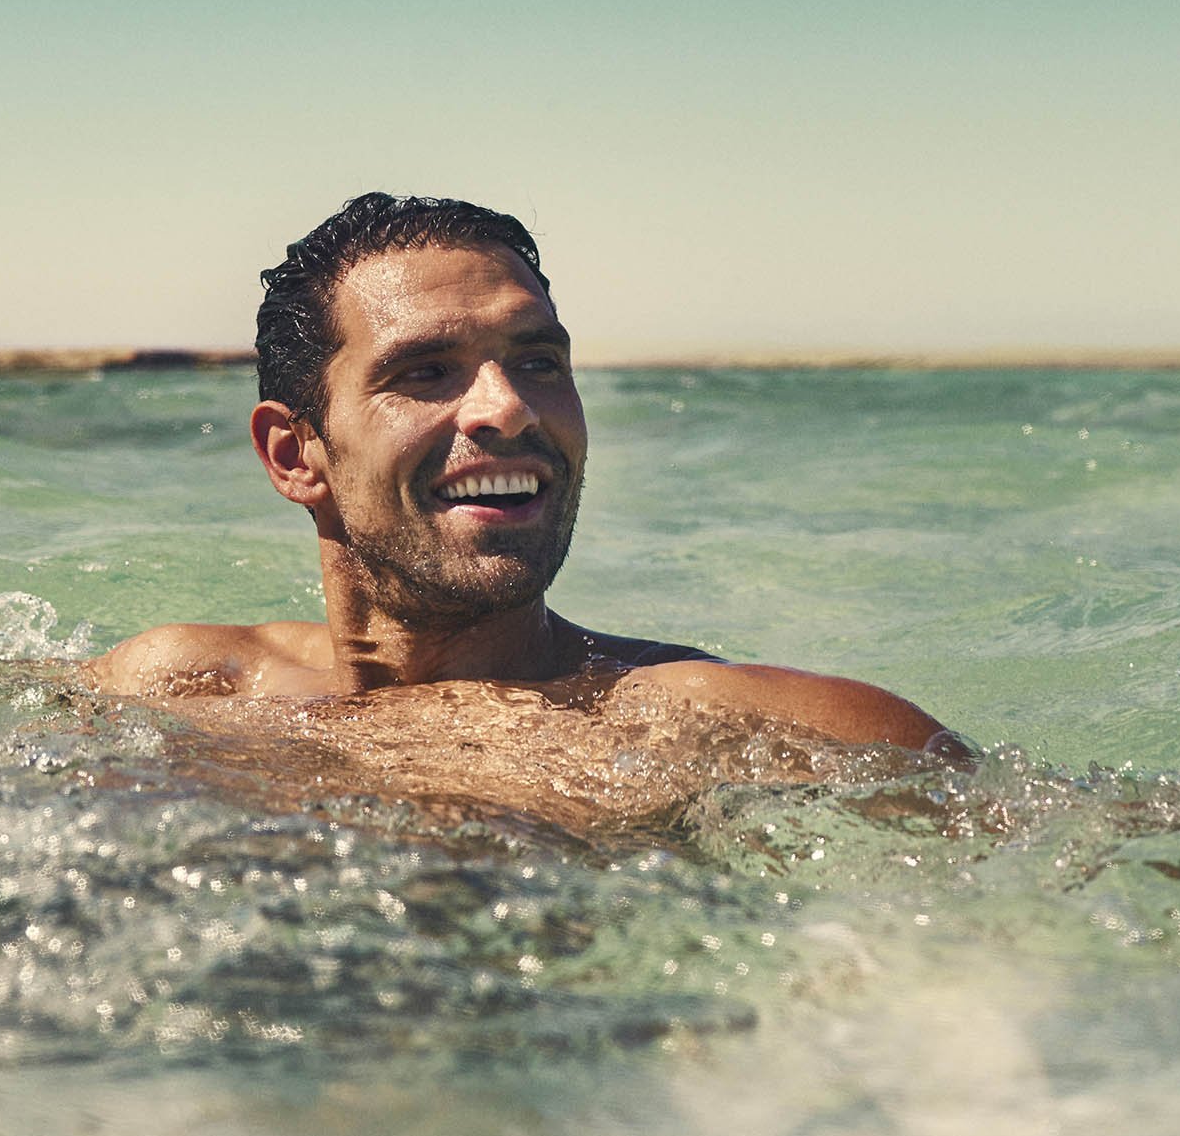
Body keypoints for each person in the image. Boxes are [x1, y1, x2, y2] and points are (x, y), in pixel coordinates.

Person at [84, 193, 955, 815]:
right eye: (424, 372)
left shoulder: (725, 726)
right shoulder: (182, 685)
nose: (509, 407)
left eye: (539, 362)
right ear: (294, 454)